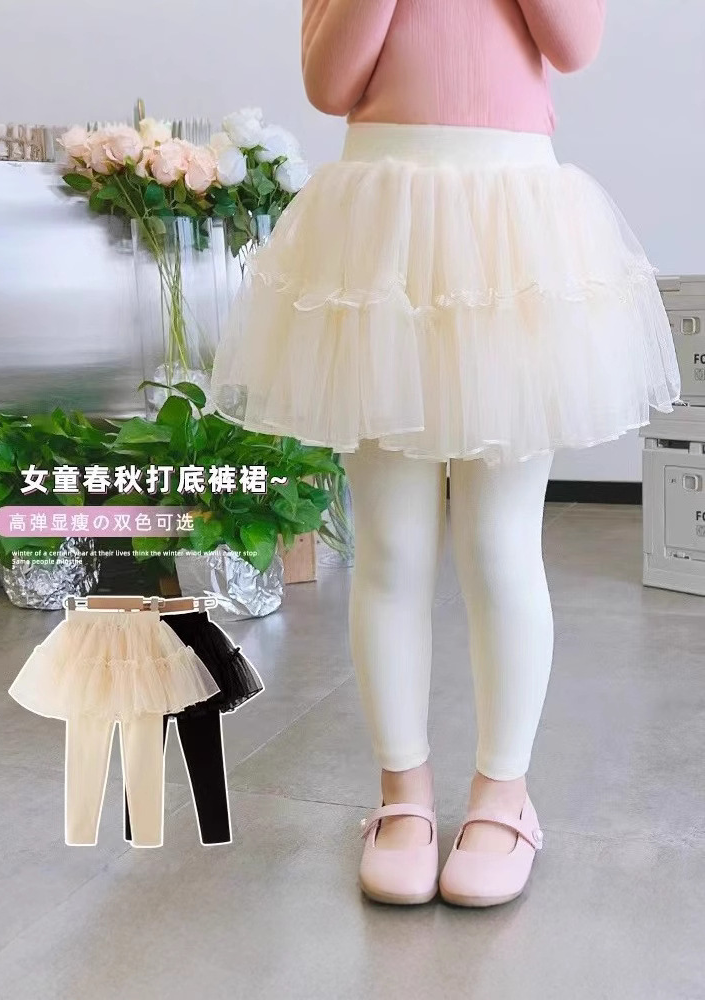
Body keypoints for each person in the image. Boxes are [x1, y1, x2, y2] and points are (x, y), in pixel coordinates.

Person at [210, 0, 680, 907]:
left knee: (501, 546)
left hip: (509, 234)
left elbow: (574, 43)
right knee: (390, 549)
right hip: (382, 235)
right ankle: (404, 795)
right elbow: (331, 82)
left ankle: (505, 795)